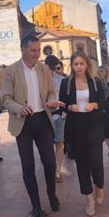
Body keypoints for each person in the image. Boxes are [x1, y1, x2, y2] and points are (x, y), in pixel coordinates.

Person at [0, 35, 65, 217]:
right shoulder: (10, 72)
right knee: (28, 166)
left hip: (42, 120)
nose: (37, 54)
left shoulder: (44, 69)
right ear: (23, 50)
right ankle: (36, 206)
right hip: (23, 122)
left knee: (49, 162)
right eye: (33, 50)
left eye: (38, 50)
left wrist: (51, 101)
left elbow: (51, 91)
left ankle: (52, 194)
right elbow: (5, 99)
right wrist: (18, 107)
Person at [59, 51, 106, 217]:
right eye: (75, 64)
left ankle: (99, 187)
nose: (78, 67)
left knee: (96, 163)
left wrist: (94, 104)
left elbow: (103, 101)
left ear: (87, 64)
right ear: (71, 66)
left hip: (94, 127)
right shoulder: (66, 83)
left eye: (81, 64)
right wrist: (69, 107)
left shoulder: (95, 82)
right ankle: (88, 198)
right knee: (81, 165)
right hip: (76, 128)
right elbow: (62, 104)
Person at [45, 55, 66, 183]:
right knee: (47, 144)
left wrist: (65, 112)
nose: (53, 71)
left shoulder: (62, 80)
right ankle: (50, 168)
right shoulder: (40, 80)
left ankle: (58, 170)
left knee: (59, 142)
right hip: (46, 115)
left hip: (60, 115)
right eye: (50, 68)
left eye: (56, 68)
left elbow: (67, 97)